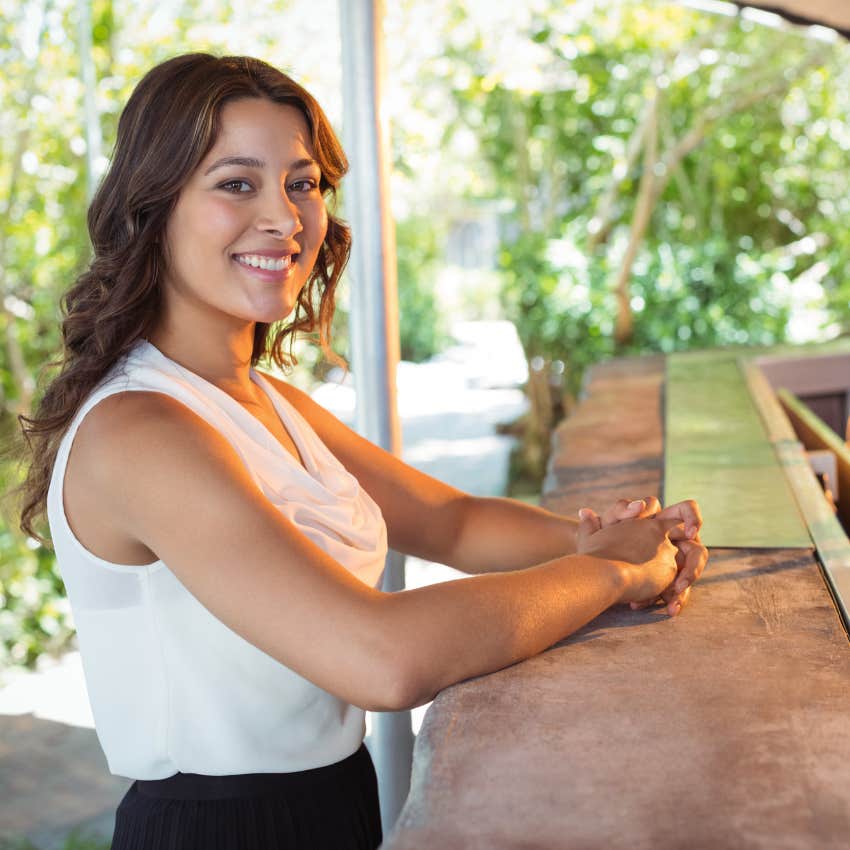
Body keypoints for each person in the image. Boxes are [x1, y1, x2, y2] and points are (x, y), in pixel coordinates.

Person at [10, 53, 707, 850]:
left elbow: (452, 522)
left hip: (332, 807)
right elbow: (382, 659)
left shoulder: (263, 398)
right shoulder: (140, 433)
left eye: (301, 183)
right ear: (154, 207)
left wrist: (613, 538)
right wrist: (610, 573)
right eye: (237, 183)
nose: (284, 216)